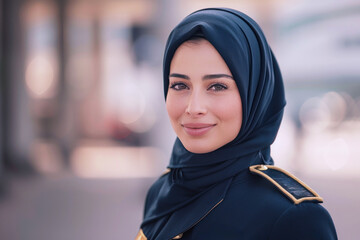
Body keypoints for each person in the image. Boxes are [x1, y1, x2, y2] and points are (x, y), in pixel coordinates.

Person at [135, 8, 337, 240]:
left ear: (255, 95)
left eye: (217, 86)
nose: (193, 107)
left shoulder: (292, 217)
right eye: (180, 85)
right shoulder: (163, 191)